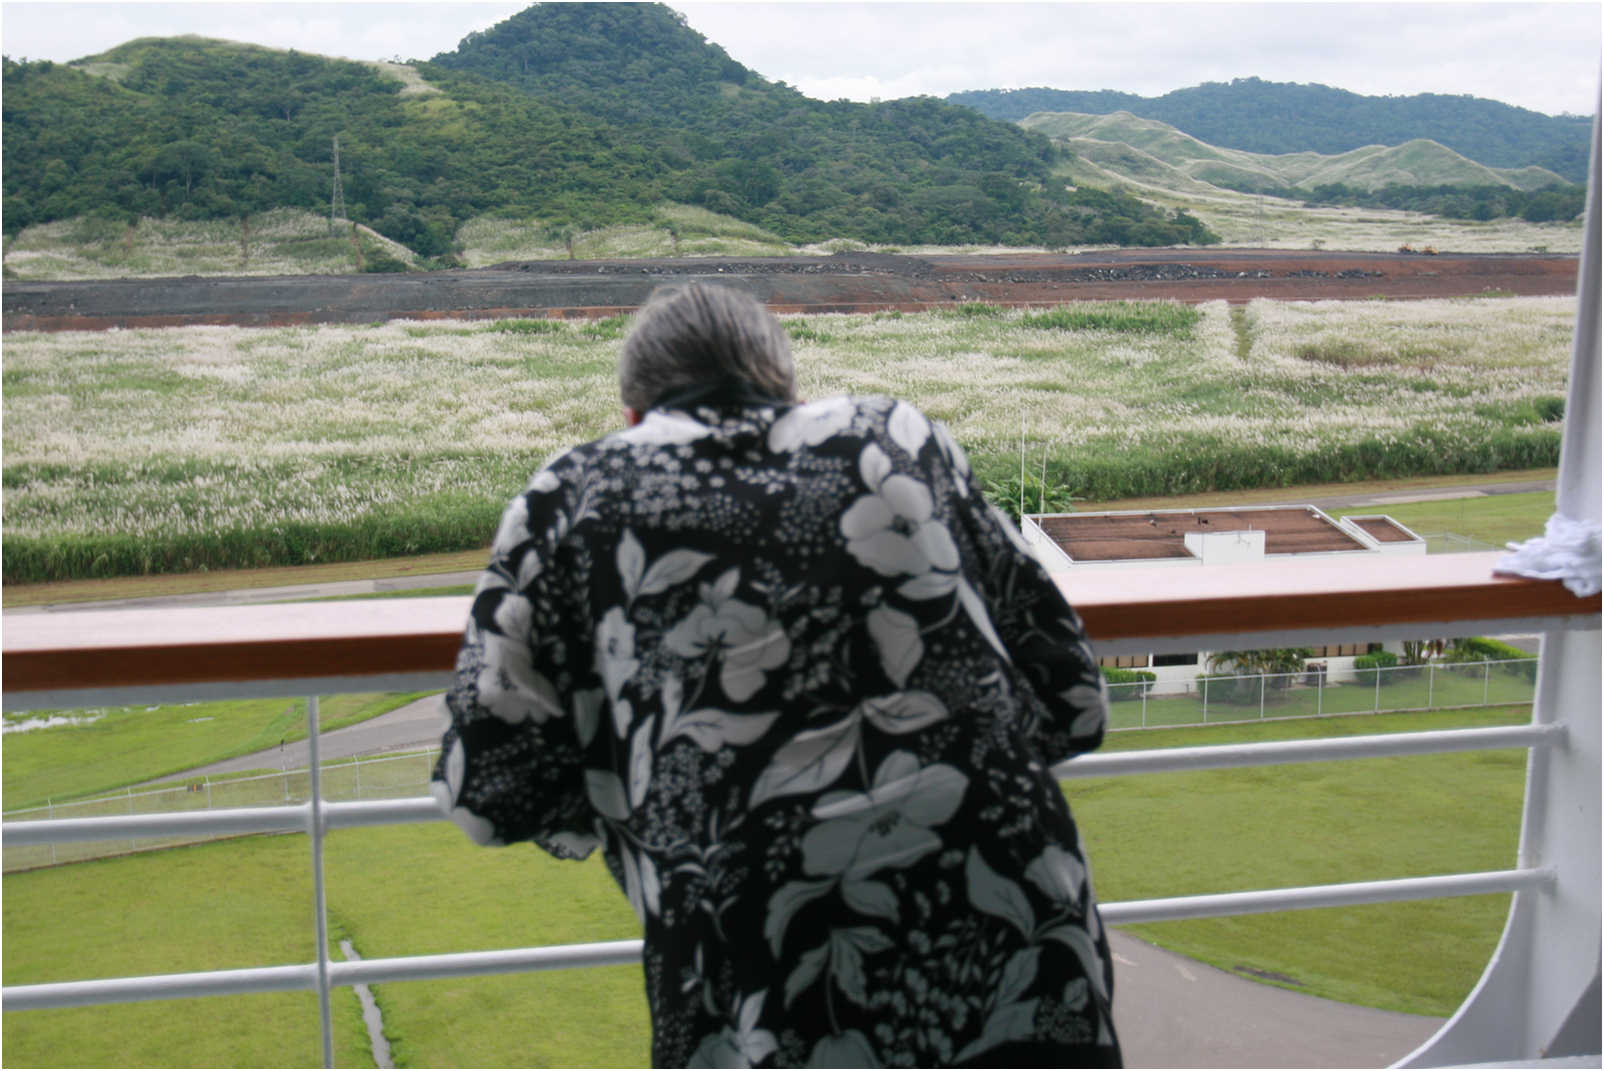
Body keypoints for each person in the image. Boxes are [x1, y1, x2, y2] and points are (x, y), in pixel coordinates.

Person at [433, 283, 1121, 1068]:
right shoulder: (894, 435)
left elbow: (487, 791)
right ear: (786, 389)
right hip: (1025, 944)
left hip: (765, 983)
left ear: (635, 414)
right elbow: (1073, 700)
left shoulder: (571, 494)